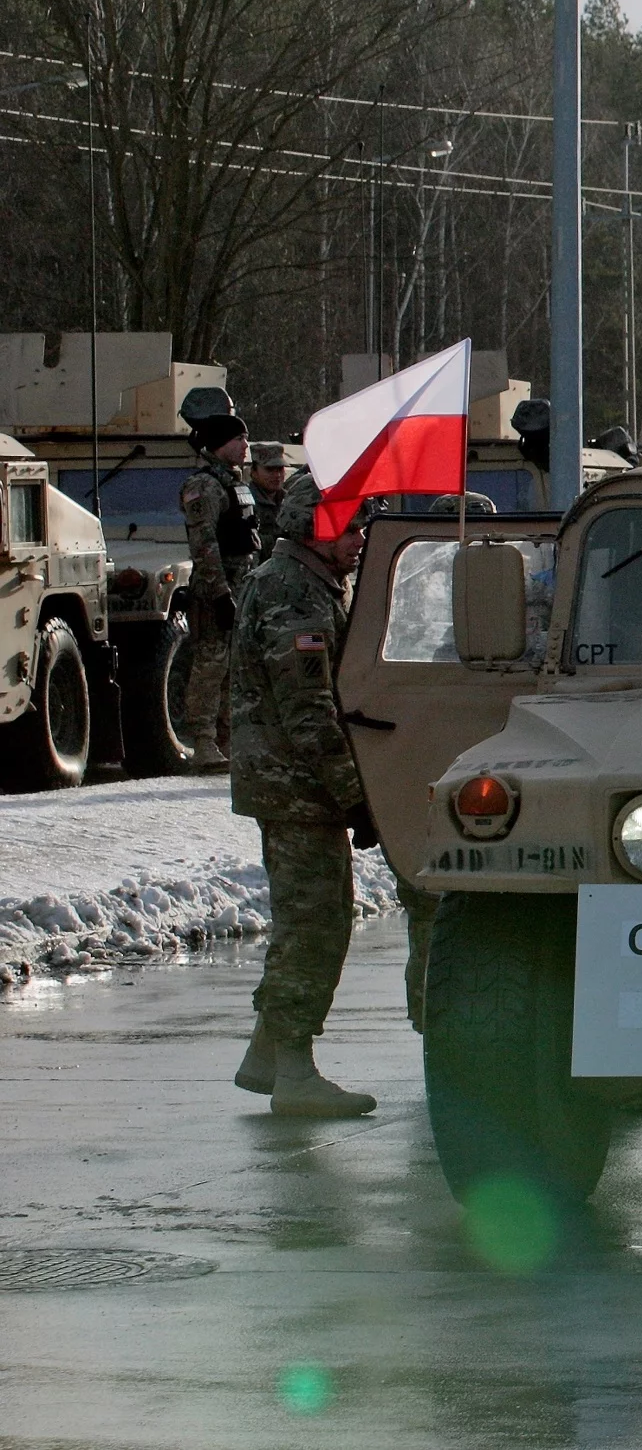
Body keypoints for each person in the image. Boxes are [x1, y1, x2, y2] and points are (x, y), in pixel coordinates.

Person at [227, 471, 380, 1118]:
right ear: (318, 526)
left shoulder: (305, 582)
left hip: (293, 784)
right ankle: (293, 1068)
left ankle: (268, 1054)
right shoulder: (293, 590)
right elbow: (309, 709)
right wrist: (354, 794)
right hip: (297, 787)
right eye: (349, 526)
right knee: (314, 925)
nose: (358, 539)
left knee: (313, 918)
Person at [178, 412, 259, 770]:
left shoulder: (232, 482)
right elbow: (204, 543)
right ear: (219, 444)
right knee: (210, 666)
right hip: (217, 590)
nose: (244, 446)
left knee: (234, 668)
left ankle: (228, 738)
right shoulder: (205, 485)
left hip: (241, 586)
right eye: (238, 439)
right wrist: (219, 593)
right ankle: (204, 741)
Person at [246, 442, 289, 556]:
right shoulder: (246, 502)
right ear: (254, 472)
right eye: (270, 470)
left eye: (280, 469)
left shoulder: (290, 500)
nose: (277, 475)